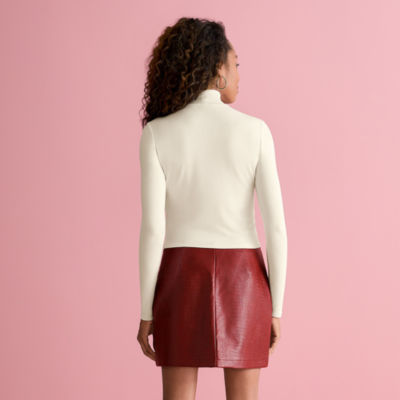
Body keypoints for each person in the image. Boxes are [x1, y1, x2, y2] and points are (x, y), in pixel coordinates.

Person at [137, 17, 288, 400]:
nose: (239, 74)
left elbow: (153, 229)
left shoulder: (157, 133)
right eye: (236, 64)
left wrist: (146, 311)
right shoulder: (256, 131)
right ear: (218, 69)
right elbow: (276, 229)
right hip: (245, 280)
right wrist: (276, 307)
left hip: (179, 279)